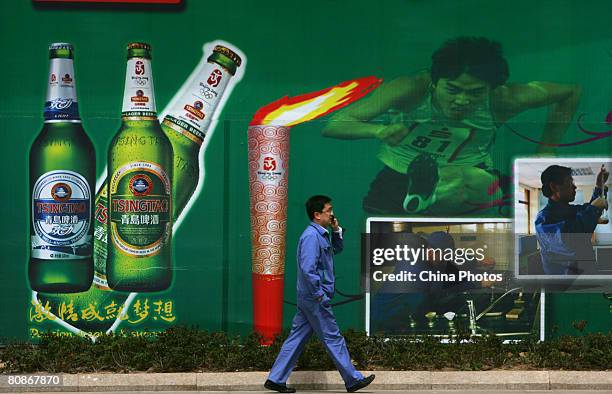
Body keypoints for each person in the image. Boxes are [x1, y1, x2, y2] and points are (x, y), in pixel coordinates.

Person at [322, 37, 582, 215]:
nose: (462, 100)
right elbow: (334, 125)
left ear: (492, 89)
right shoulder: (410, 89)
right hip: (398, 178)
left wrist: (547, 148)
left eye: (476, 93)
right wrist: (377, 131)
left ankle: (431, 195)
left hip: (467, 179)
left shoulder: (504, 99)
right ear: (435, 82)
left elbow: (570, 92)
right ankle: (424, 194)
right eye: (452, 89)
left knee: (471, 180)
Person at [265, 195, 375, 393]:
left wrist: (337, 231)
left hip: (310, 297)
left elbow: (336, 250)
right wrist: (318, 295)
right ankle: (352, 379)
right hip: (314, 298)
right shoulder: (311, 237)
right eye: (328, 210)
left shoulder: (322, 234)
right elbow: (308, 270)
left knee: (297, 337)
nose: (332, 213)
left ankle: (275, 378)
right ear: (317, 215)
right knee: (333, 337)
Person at [535, 164, 608, 275]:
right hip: (566, 286)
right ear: (554, 187)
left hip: (587, 276)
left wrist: (599, 187)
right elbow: (571, 239)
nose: (575, 187)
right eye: (570, 182)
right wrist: (593, 210)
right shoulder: (544, 220)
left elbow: (588, 209)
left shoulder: (570, 210)